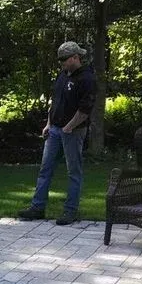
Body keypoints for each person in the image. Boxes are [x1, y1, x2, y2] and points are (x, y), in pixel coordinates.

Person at [18, 41, 97, 225]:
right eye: (60, 60)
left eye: (64, 60)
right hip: (54, 129)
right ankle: (37, 207)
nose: (61, 63)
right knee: (45, 169)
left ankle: (70, 211)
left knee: (73, 172)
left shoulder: (87, 78)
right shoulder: (62, 75)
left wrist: (69, 126)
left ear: (75, 58)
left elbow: (85, 109)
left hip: (74, 131)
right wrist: (48, 123)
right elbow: (55, 102)